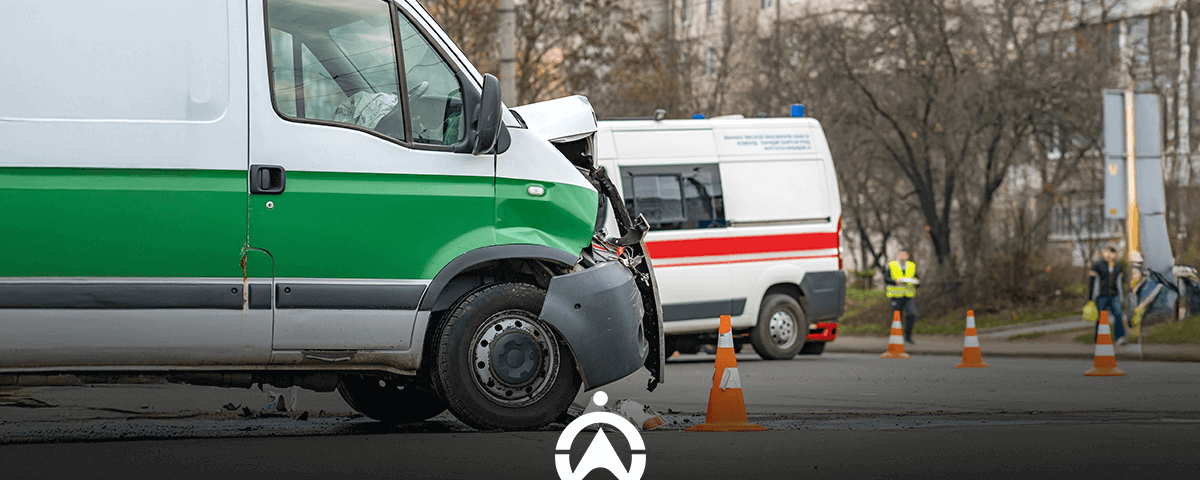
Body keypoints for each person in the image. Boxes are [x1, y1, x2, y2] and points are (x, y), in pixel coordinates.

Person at [1089, 247, 1127, 345]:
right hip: (1101, 295)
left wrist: (1121, 296)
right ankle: (1099, 339)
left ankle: (1120, 337)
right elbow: (1092, 282)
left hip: (1114, 295)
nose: (1110, 255)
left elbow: (1119, 282)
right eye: (1108, 252)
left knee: (1118, 315)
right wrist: (1091, 297)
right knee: (1102, 318)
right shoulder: (1097, 266)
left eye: (1112, 253)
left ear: (1115, 255)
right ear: (1104, 253)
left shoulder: (1118, 266)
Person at [885, 250, 920, 344]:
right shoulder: (892, 265)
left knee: (911, 314)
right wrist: (895, 281)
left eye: (905, 254)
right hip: (896, 295)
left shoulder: (911, 265)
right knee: (897, 317)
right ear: (898, 255)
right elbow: (886, 279)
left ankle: (908, 336)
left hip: (908, 295)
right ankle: (897, 337)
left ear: (908, 256)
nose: (903, 256)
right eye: (901, 254)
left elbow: (916, 278)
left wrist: (916, 282)